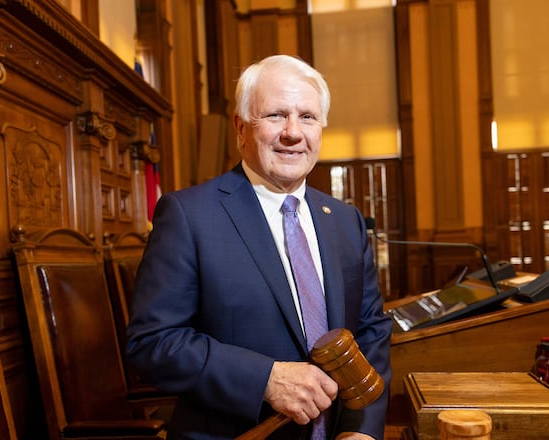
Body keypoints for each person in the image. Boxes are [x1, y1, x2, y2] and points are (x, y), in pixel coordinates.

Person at [126, 54, 392, 439]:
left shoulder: (345, 221)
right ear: (241, 127)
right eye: (275, 115)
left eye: (307, 117)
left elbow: (371, 331)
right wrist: (266, 379)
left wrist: (362, 430)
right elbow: (153, 344)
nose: (292, 132)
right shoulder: (189, 215)